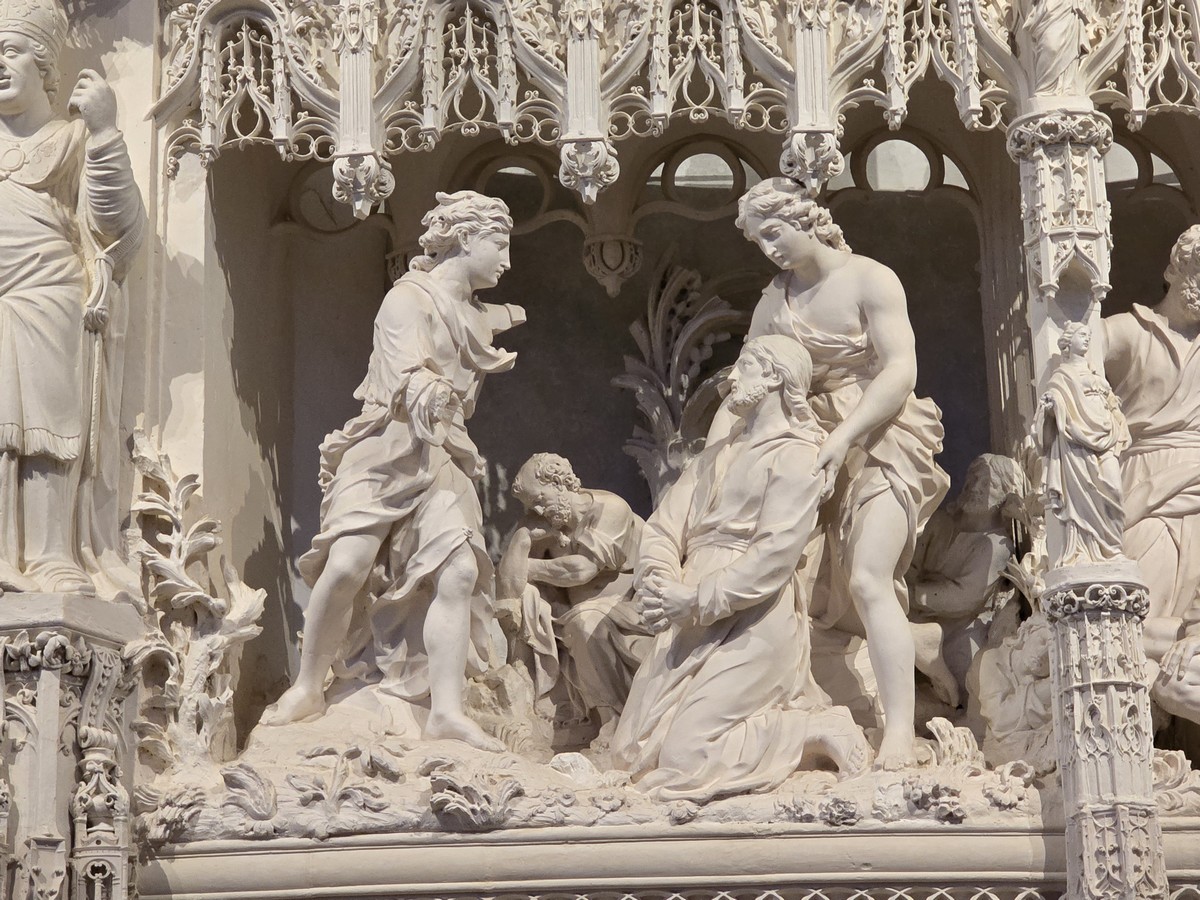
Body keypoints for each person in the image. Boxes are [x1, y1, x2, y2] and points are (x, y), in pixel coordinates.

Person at [261, 191, 523, 751]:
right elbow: (406, 370)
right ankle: (308, 686)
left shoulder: (478, 315)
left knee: (459, 573)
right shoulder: (406, 300)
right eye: (498, 245)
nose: (506, 260)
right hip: (386, 448)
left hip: (444, 453)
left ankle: (446, 711)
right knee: (347, 564)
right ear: (464, 238)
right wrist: (428, 389)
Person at [732, 178, 949, 768]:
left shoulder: (869, 278)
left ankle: (898, 731)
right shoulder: (773, 301)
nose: (770, 249)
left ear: (804, 217)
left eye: (774, 232)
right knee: (793, 584)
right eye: (758, 241)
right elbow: (749, 379)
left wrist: (844, 436)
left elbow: (899, 371)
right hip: (805, 447)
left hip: (882, 436)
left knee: (869, 578)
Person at [612, 335, 872, 802]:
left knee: (686, 757)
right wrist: (660, 582)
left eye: (744, 365)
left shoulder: (798, 456)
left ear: (774, 376)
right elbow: (663, 529)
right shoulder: (716, 456)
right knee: (630, 754)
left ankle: (811, 729)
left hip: (752, 617)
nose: (731, 376)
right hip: (687, 613)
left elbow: (774, 556)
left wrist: (693, 600)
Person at [0, 0, 143, 594]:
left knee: (48, 421)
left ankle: (50, 552)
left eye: (9, 52)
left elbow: (116, 226)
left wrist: (105, 133)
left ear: (44, 65)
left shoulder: (70, 140)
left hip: (48, 294)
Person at [1105, 225, 1200, 723]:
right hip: (1145, 486)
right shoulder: (1128, 331)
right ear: (1177, 268)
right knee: (1126, 619)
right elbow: (1067, 366)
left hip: (1198, 490)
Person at [497, 453, 652, 729]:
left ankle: (612, 722)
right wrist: (521, 541)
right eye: (531, 506)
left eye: (540, 499)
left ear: (559, 483)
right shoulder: (542, 524)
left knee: (585, 624)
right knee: (551, 612)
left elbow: (583, 570)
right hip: (571, 617)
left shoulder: (609, 509)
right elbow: (508, 588)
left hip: (632, 607)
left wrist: (528, 566)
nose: (538, 511)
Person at [1034, 322, 1129, 568]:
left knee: (1114, 489)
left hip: (1105, 436)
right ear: (1068, 341)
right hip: (1076, 442)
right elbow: (1052, 410)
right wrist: (1053, 409)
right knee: (1082, 495)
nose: (1086, 340)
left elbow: (1112, 404)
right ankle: (1084, 551)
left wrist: (1117, 416)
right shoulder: (1061, 377)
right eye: (1082, 335)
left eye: (1088, 336)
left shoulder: (1096, 374)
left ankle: (1112, 548)